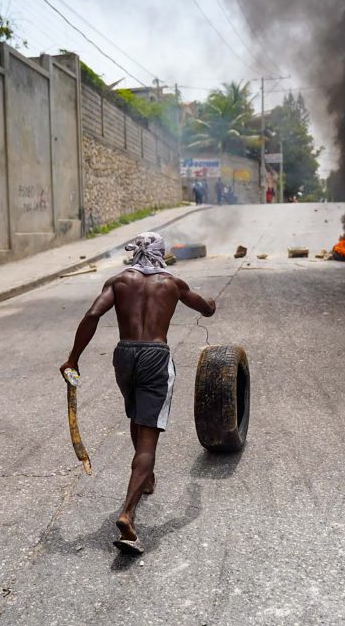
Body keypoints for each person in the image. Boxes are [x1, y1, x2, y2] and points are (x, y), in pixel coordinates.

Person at [60, 232, 216, 555]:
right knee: (148, 436)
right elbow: (206, 308)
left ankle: (147, 479)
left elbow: (92, 315)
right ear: (161, 254)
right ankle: (128, 514)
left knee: (136, 415)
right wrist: (212, 303)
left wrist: (73, 358)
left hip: (125, 356)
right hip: (155, 357)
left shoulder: (119, 281)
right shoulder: (172, 284)